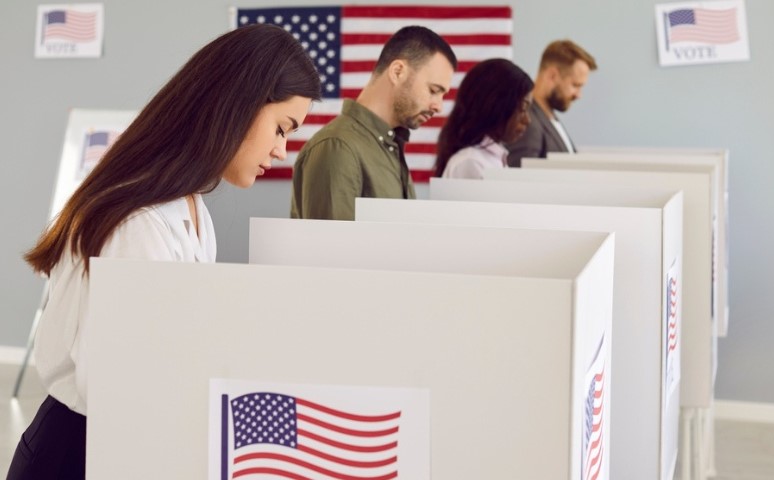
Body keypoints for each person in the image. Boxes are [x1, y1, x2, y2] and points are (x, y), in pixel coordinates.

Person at [7, 24, 321, 480]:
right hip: (80, 453)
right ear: (239, 105)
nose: (280, 150)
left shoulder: (193, 209)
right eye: (281, 128)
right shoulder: (139, 224)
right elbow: (123, 388)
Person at [290, 25, 457, 220]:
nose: (438, 106)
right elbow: (332, 247)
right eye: (434, 90)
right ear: (397, 72)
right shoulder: (338, 147)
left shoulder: (388, 146)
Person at [433, 58, 533, 179]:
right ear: (496, 105)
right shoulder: (470, 163)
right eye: (523, 108)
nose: (527, 120)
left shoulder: (492, 158)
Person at [506, 39, 597, 167]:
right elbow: (521, 180)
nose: (579, 95)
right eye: (575, 85)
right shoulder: (527, 122)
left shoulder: (548, 117)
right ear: (552, 75)